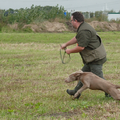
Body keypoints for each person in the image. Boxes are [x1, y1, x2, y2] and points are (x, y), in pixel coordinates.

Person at [60, 12, 110, 99]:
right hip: (92, 57)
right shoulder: (83, 27)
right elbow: (77, 38)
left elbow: (81, 47)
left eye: (71, 20)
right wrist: (66, 44)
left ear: (75, 20)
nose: (71, 22)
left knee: (99, 79)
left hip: (95, 58)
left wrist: (69, 51)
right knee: (81, 75)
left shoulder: (83, 30)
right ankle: (76, 92)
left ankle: (111, 93)